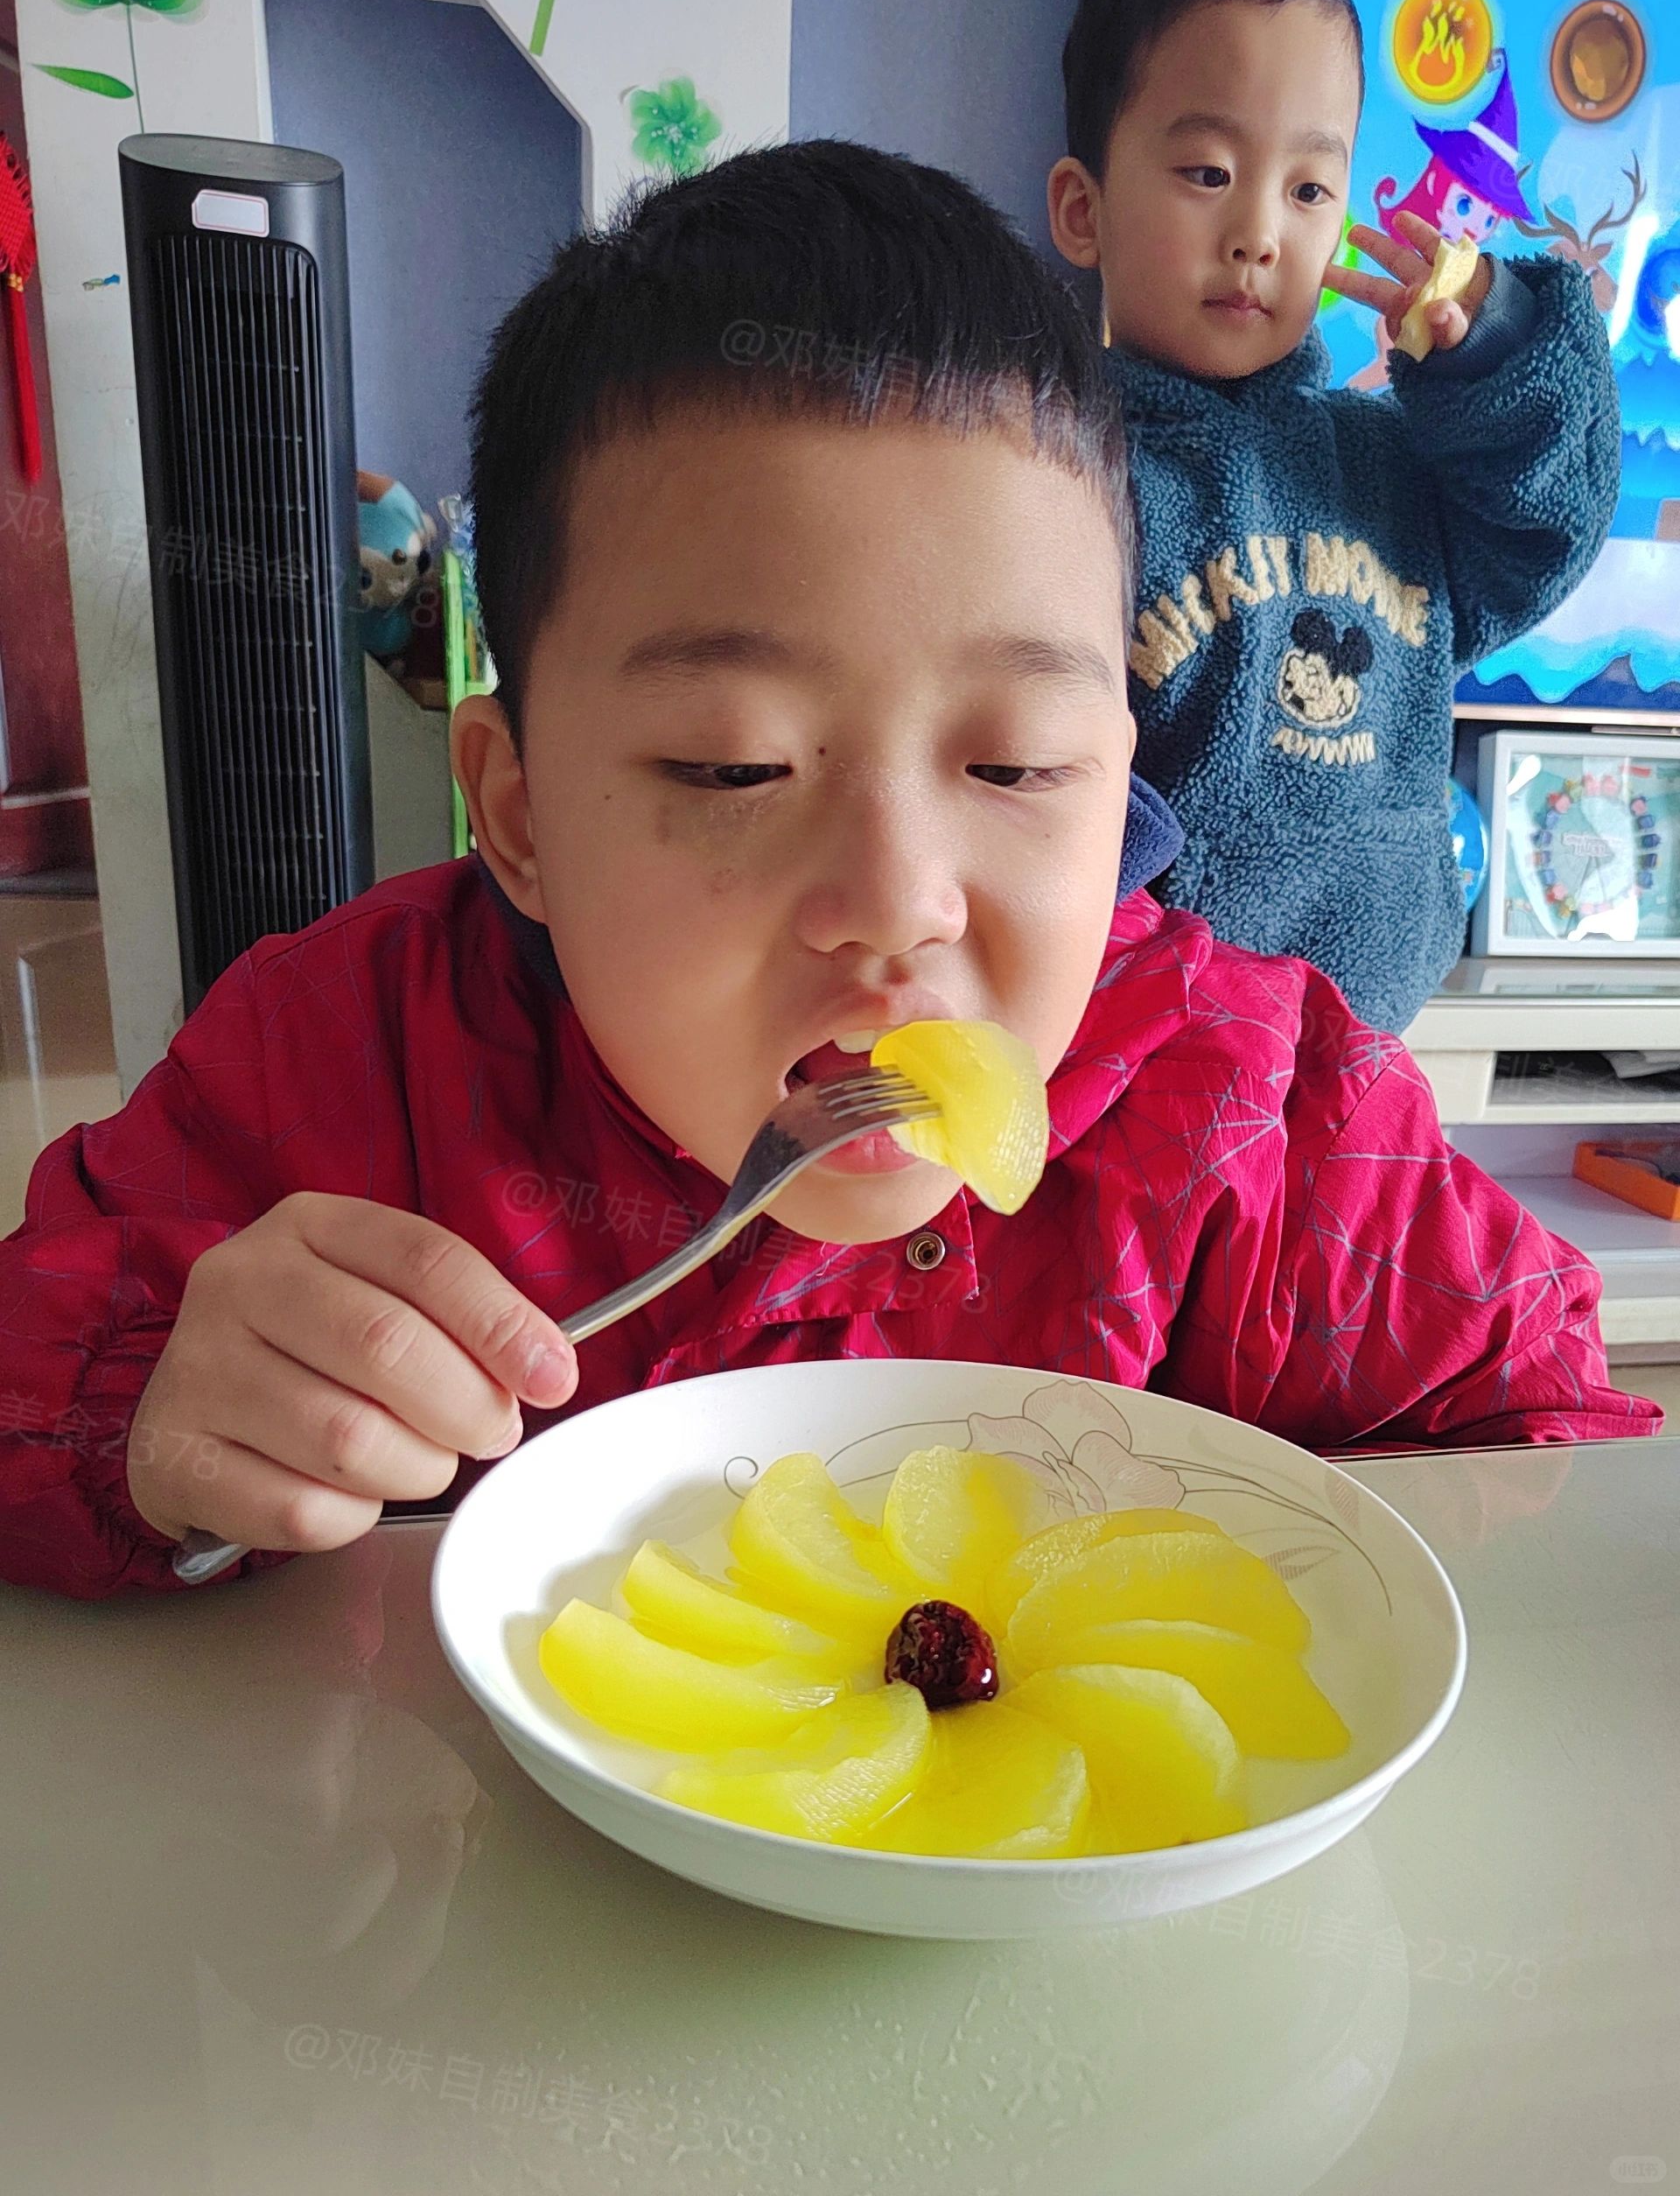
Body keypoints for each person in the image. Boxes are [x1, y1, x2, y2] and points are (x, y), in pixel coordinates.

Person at [0, 140, 1655, 1602]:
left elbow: (1550, 1445)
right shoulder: (352, 1072)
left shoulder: (1258, 1122)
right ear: (517, 816)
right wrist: (148, 1422)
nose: (896, 901)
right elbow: (31, 1388)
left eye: (1016, 766)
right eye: (733, 769)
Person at [1047, 0, 1620, 1034]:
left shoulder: (1394, 466)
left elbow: (1546, 533)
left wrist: (1498, 351)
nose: (1259, 233)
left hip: (1369, 1041)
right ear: (1085, 210)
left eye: (1309, 189)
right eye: (1208, 172)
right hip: (1148, 1048)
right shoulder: (1054, 474)